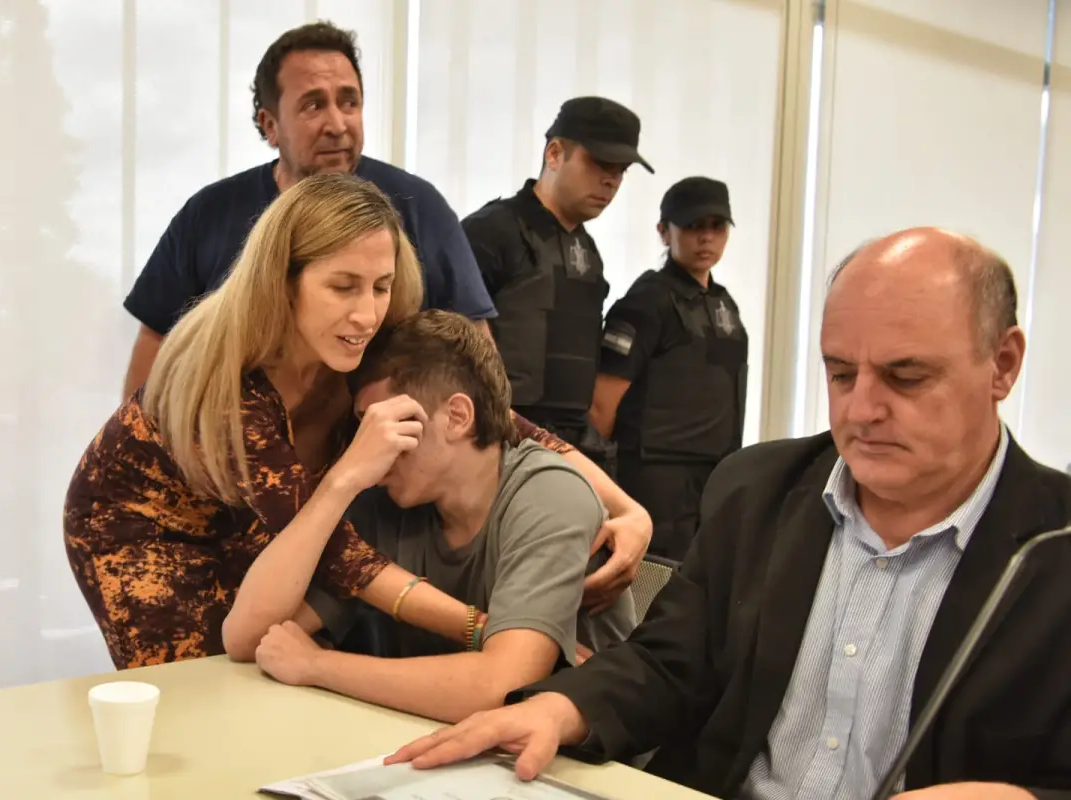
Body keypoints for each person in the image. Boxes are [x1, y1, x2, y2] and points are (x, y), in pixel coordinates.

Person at [387, 228, 1071, 800]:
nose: (861, 410)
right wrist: (562, 708)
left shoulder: (1053, 551)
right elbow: (669, 665)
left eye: (906, 376)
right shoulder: (759, 490)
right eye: (839, 374)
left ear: (1002, 364)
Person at [64, 173, 648, 670]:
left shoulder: (359, 342)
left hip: (272, 515)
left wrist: (627, 510)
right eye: (342, 287)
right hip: (151, 527)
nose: (367, 312)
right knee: (205, 685)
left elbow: (490, 412)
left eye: (382, 286)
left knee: (278, 653)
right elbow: (343, 554)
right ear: (282, 281)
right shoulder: (230, 386)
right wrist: (491, 631)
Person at [253, 311, 639, 723]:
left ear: (457, 417)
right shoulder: (386, 500)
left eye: (388, 425)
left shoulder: (551, 494)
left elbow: (497, 687)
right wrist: (339, 484)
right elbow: (262, 637)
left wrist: (318, 667)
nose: (373, 449)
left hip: (573, 767)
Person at [120, 20, 496, 401]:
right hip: (240, 446)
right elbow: (155, 355)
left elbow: (475, 356)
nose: (337, 124)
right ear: (270, 125)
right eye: (313, 105)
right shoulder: (209, 215)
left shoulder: (419, 206)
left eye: (349, 102)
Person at [460, 97, 653, 473]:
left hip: (571, 445)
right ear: (554, 154)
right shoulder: (491, 232)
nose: (611, 180)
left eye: (621, 170)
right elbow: (446, 345)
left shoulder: (588, 252)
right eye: (599, 163)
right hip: (500, 441)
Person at [589, 177, 748, 560]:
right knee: (652, 583)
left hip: (712, 474)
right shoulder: (648, 301)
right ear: (664, 232)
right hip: (655, 477)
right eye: (693, 227)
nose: (706, 238)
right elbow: (601, 405)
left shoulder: (723, 304)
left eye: (716, 227)